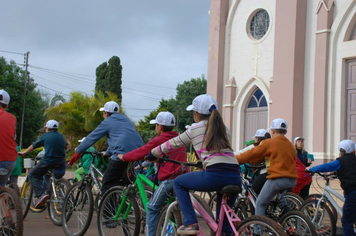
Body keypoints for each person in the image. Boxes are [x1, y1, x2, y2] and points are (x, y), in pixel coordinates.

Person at [149, 94, 241, 235]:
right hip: (235, 175)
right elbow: (218, 151)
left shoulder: (195, 128)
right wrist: (203, 161)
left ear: (196, 114)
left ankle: (190, 222)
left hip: (215, 175)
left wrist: (153, 153)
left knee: (179, 182)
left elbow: (173, 143)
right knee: (224, 226)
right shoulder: (224, 129)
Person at [117, 111, 188, 236]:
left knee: (151, 208)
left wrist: (124, 157)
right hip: (183, 177)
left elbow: (141, 151)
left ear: (159, 127)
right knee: (168, 208)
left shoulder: (159, 139)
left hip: (170, 180)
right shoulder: (179, 138)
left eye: (156, 125)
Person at [75, 101, 144, 195]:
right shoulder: (126, 119)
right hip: (136, 153)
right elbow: (120, 139)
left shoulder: (108, 121)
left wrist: (79, 150)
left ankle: (108, 209)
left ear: (106, 113)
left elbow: (92, 137)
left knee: (107, 183)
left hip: (121, 155)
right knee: (124, 182)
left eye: (104, 113)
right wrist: (107, 152)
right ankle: (124, 205)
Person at [236, 118, 298, 222]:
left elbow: (252, 154)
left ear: (273, 131)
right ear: (286, 131)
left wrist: (236, 160)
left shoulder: (270, 143)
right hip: (292, 180)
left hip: (277, 179)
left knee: (260, 203)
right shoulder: (290, 145)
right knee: (277, 196)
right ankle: (288, 216)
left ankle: (257, 231)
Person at [309, 139, 356, 236]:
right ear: (353, 150)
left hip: (352, 191)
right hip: (351, 191)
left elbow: (326, 166)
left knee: (346, 221)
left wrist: (311, 169)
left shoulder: (340, 161)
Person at [19, 120, 67, 208]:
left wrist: (25, 152)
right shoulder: (61, 137)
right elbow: (67, 146)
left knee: (32, 175)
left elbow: (34, 145)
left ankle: (40, 195)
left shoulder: (46, 136)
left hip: (48, 161)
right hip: (61, 161)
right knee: (50, 176)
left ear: (48, 128)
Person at [0, 89, 18, 187]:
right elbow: (13, 136)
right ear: (6, 105)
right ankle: (4, 199)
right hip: (10, 160)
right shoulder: (12, 118)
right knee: (2, 184)